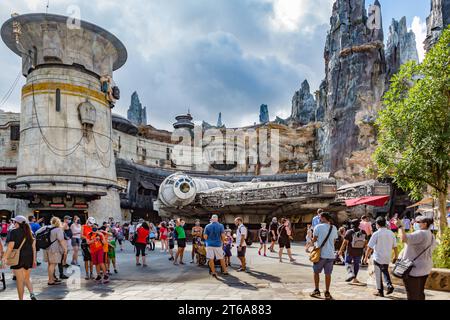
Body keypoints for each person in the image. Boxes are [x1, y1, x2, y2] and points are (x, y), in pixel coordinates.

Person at [396, 216, 436, 300]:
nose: (415, 223)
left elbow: (404, 239)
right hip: (425, 267)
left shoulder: (420, 233)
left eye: (418, 222)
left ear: (425, 224)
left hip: (413, 269)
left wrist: (400, 227)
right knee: (420, 292)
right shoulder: (431, 234)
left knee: (412, 293)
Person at [1, 216, 37, 300]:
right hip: (29, 257)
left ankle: (21, 299)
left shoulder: (13, 232)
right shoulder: (30, 232)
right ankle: (32, 294)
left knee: (20, 280)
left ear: (18, 223)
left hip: (18, 257)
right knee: (27, 278)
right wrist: (34, 260)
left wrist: (4, 258)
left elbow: (10, 247)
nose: (13, 224)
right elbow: (34, 248)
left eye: (14, 222)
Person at [363, 217, 398, 297]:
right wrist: (395, 256)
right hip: (387, 257)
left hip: (378, 257)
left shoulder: (376, 234)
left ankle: (380, 291)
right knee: (385, 271)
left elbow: (370, 247)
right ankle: (389, 285)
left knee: (378, 274)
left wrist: (365, 257)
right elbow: (395, 247)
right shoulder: (391, 233)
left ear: (377, 224)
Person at [310, 212, 338, 300]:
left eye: (319, 217)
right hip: (330, 254)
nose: (319, 219)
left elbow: (314, 239)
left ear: (322, 218)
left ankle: (317, 290)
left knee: (316, 272)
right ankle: (327, 292)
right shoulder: (334, 228)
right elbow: (333, 241)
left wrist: (310, 241)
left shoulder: (318, 227)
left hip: (321, 254)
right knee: (328, 274)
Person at [338, 219, 367, 284]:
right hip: (359, 251)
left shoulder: (349, 231)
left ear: (351, 225)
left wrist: (340, 250)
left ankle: (350, 273)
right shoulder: (363, 232)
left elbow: (345, 242)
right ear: (359, 224)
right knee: (356, 265)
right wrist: (365, 250)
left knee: (347, 262)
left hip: (350, 251)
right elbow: (365, 242)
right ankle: (354, 279)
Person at [41, 217, 68, 286]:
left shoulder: (45, 227)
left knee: (50, 264)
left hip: (46, 248)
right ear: (58, 222)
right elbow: (61, 240)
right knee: (53, 264)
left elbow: (36, 233)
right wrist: (65, 249)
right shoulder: (58, 229)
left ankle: (51, 278)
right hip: (54, 249)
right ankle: (50, 280)